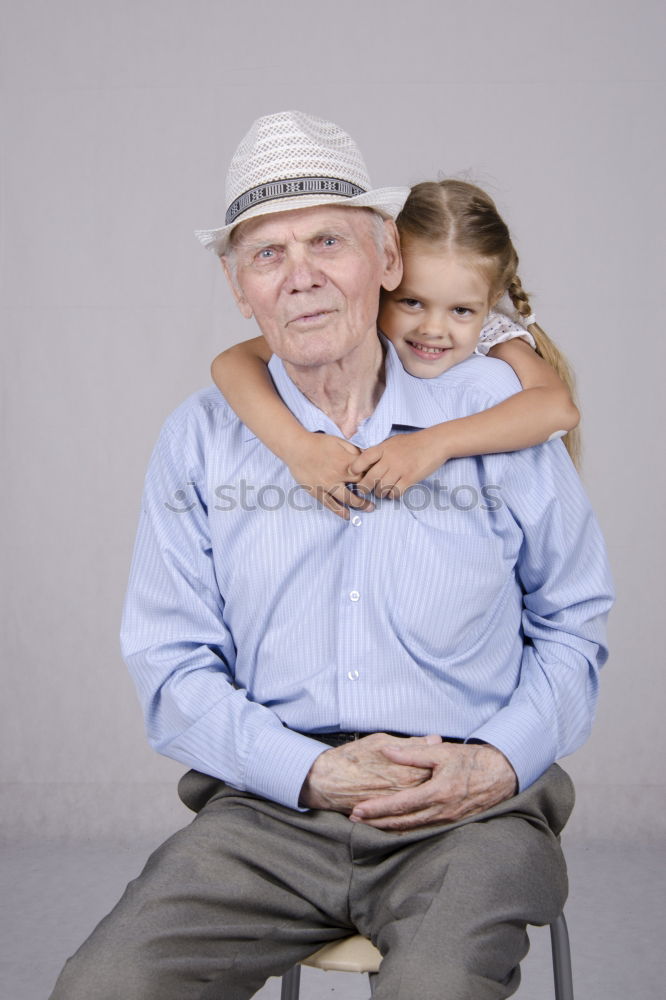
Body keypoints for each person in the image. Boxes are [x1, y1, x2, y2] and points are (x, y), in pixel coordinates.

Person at [49, 110, 614, 1000]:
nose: (301, 277)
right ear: (240, 286)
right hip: (272, 809)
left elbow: (574, 626)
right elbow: (170, 662)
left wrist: (498, 761)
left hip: (469, 807)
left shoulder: (491, 413)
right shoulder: (200, 441)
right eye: (267, 254)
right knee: (103, 988)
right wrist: (307, 771)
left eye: (327, 242)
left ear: (387, 258)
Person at [211, 177, 581, 519]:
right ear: (383, 275)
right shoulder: (357, 320)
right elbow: (232, 362)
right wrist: (296, 449)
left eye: (461, 310)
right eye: (412, 303)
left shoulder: (493, 342)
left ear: (490, 303)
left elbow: (556, 408)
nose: (434, 329)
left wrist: (434, 445)